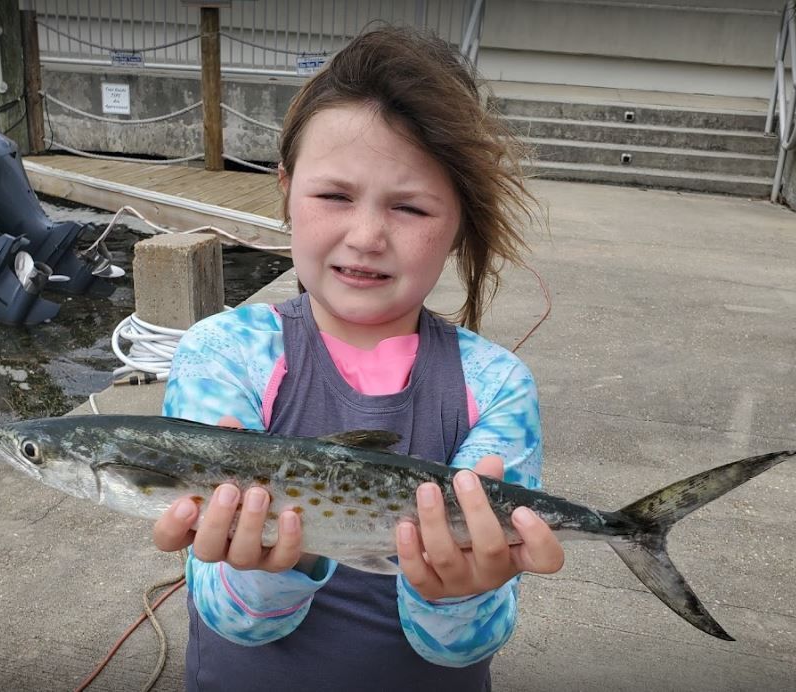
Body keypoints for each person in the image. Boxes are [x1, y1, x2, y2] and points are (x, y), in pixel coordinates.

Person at [153, 25, 564, 692]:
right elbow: (232, 617)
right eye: (333, 196)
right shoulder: (224, 354)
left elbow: (463, 648)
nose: (366, 236)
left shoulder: (494, 387)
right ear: (285, 188)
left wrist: (455, 595)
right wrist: (265, 567)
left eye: (409, 206)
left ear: (459, 221)